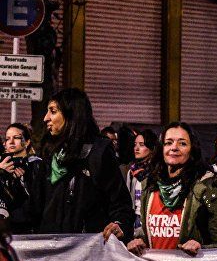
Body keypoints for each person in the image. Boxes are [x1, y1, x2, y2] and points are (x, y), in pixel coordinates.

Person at [30, 88, 134, 241]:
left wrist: (119, 224)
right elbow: (33, 208)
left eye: (53, 111)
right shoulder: (49, 153)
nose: (46, 118)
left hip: (88, 251)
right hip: (51, 251)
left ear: (71, 114)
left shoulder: (99, 152)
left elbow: (120, 204)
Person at [126, 122, 217, 256]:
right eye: (168, 143)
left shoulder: (207, 188)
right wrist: (139, 241)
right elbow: (154, 233)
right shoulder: (150, 187)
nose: (174, 148)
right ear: (161, 149)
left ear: (192, 150)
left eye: (182, 143)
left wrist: (201, 249)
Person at [1, 124, 42, 234]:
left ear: (27, 142)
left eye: (16, 138)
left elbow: (38, 200)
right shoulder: (1, 166)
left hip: (29, 229)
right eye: (8, 138)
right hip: (6, 228)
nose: (11, 142)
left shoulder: (37, 165)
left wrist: (24, 181)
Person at [122, 129, 158, 221]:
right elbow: (128, 198)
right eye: (135, 144)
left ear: (151, 147)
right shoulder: (132, 170)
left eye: (141, 145)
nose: (136, 148)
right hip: (135, 217)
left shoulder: (157, 171)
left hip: (151, 217)